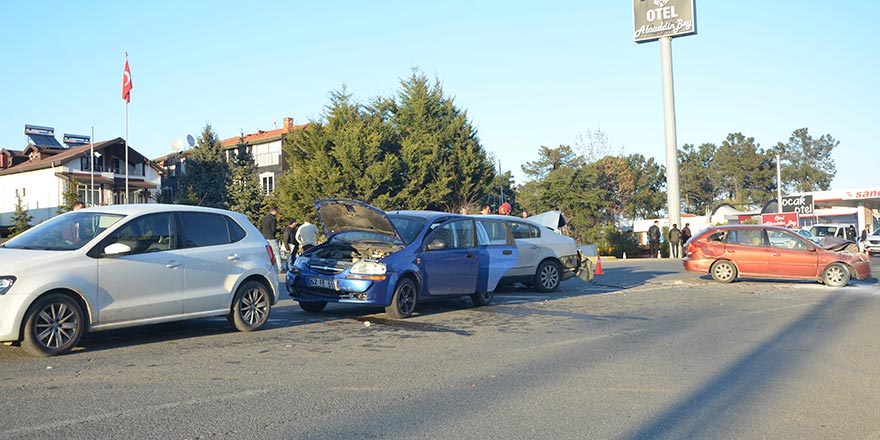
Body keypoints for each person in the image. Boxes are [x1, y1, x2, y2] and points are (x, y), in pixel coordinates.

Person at [261, 206, 282, 271]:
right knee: (276, 253)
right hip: (271, 237)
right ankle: (280, 268)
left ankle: (268, 267)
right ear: (274, 211)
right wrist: (280, 230)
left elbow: (261, 228)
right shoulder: (273, 219)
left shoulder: (264, 218)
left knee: (268, 253)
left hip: (264, 237)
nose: (277, 213)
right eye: (277, 211)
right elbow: (273, 230)